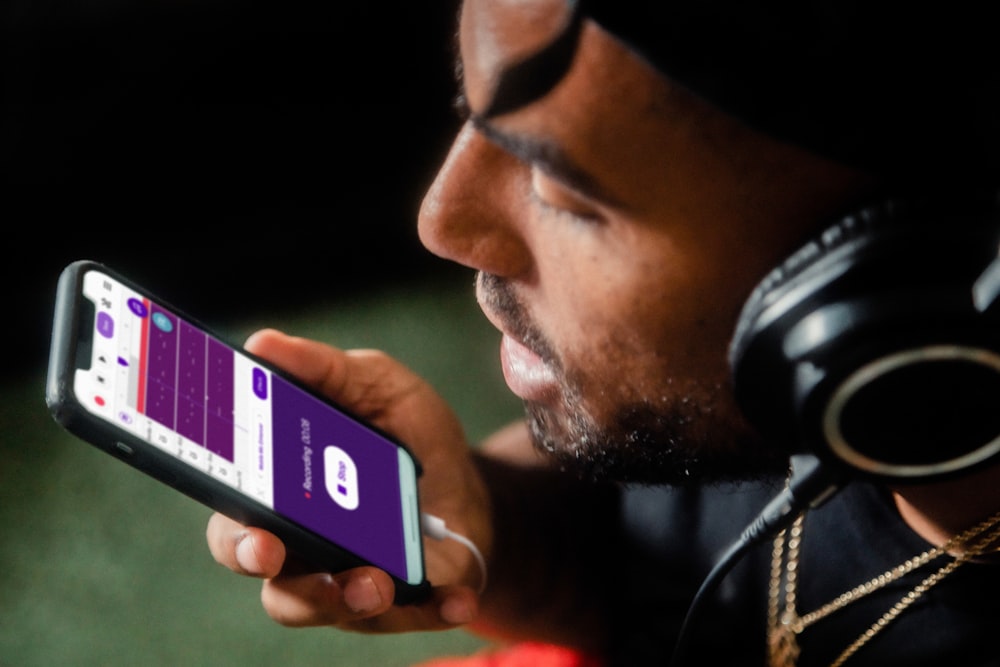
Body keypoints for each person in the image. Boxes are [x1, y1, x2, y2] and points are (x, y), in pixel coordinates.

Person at [205, 1, 1000, 665]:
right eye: (470, 111)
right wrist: (489, 522)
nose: (442, 221)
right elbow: (656, 546)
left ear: (899, 281)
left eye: (562, 186)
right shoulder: (759, 397)